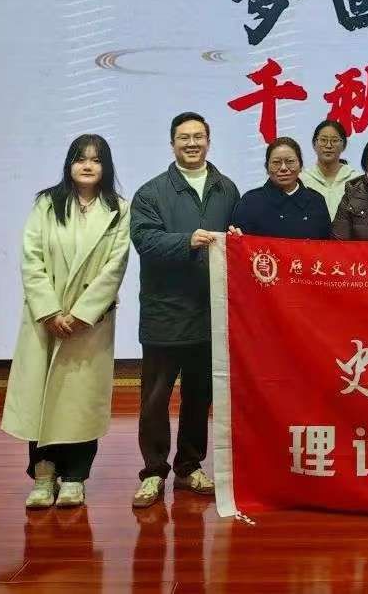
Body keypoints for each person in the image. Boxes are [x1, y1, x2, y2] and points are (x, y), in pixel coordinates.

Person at [2, 135, 131, 509]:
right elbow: (32, 258)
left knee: (80, 400)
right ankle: (43, 475)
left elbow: (115, 266)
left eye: (96, 160)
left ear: (106, 166)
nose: (87, 166)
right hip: (46, 319)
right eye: (80, 158)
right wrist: (50, 311)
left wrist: (81, 314)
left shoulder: (118, 209)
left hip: (89, 323)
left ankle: (75, 476)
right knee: (42, 396)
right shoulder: (47, 203)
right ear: (69, 164)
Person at [129, 112, 239, 508]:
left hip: (209, 313)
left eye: (198, 137)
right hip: (165, 313)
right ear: (172, 143)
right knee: (155, 399)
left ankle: (190, 465)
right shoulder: (151, 192)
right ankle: (153, 471)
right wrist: (186, 241)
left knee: (199, 397)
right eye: (183, 137)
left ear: (208, 141)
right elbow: (145, 241)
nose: (192, 143)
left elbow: (237, 240)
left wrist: (238, 239)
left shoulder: (226, 189)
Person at [229, 136, 331, 239]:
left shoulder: (316, 201)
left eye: (290, 161)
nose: (283, 168)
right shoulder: (250, 202)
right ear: (266, 167)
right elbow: (238, 243)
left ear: (300, 166)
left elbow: (326, 245)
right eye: (276, 162)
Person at [299, 119, 360, 220]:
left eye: (334, 140)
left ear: (343, 145)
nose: (328, 145)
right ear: (314, 144)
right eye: (323, 140)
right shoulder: (301, 180)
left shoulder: (356, 180)